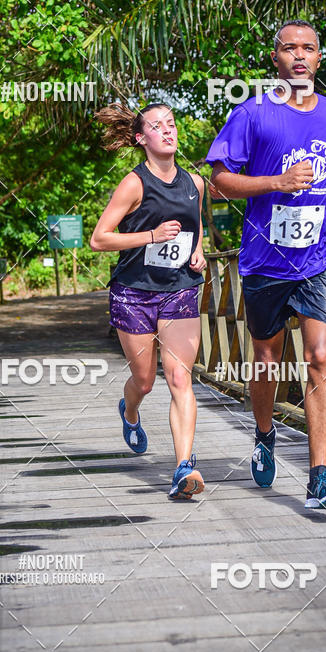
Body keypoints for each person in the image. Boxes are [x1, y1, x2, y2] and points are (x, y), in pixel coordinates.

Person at [206, 20, 326, 509]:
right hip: (264, 260)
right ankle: (265, 432)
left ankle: (319, 477)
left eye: (308, 49)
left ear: (319, 58)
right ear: (275, 59)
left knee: (318, 357)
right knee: (267, 358)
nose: (299, 56)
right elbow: (221, 182)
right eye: (289, 48)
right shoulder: (252, 112)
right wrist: (277, 182)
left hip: (321, 257)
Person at [90, 102, 207, 499]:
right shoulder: (134, 184)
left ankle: (183, 467)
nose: (168, 131)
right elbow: (99, 238)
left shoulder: (196, 183)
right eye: (158, 127)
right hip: (134, 292)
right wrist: (151, 237)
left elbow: (195, 225)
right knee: (145, 380)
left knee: (178, 377)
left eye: (171, 124)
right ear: (142, 139)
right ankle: (130, 410)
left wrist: (199, 250)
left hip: (179, 288)